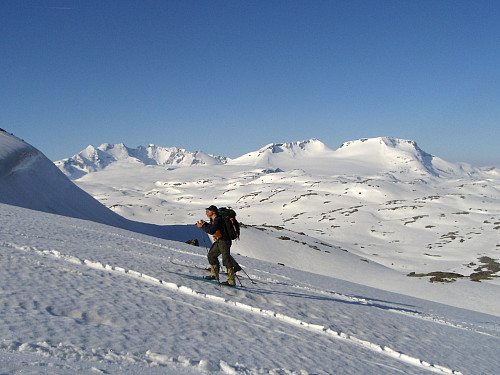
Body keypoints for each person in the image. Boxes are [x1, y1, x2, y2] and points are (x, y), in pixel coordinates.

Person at [196, 205, 236, 286]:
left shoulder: (218, 219)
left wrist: (203, 226)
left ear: (213, 212)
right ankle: (214, 275)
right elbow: (212, 228)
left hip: (224, 241)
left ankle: (231, 281)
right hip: (220, 241)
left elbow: (211, 230)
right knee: (211, 255)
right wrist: (205, 224)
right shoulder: (214, 219)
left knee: (226, 259)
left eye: (208, 211)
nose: (207, 213)